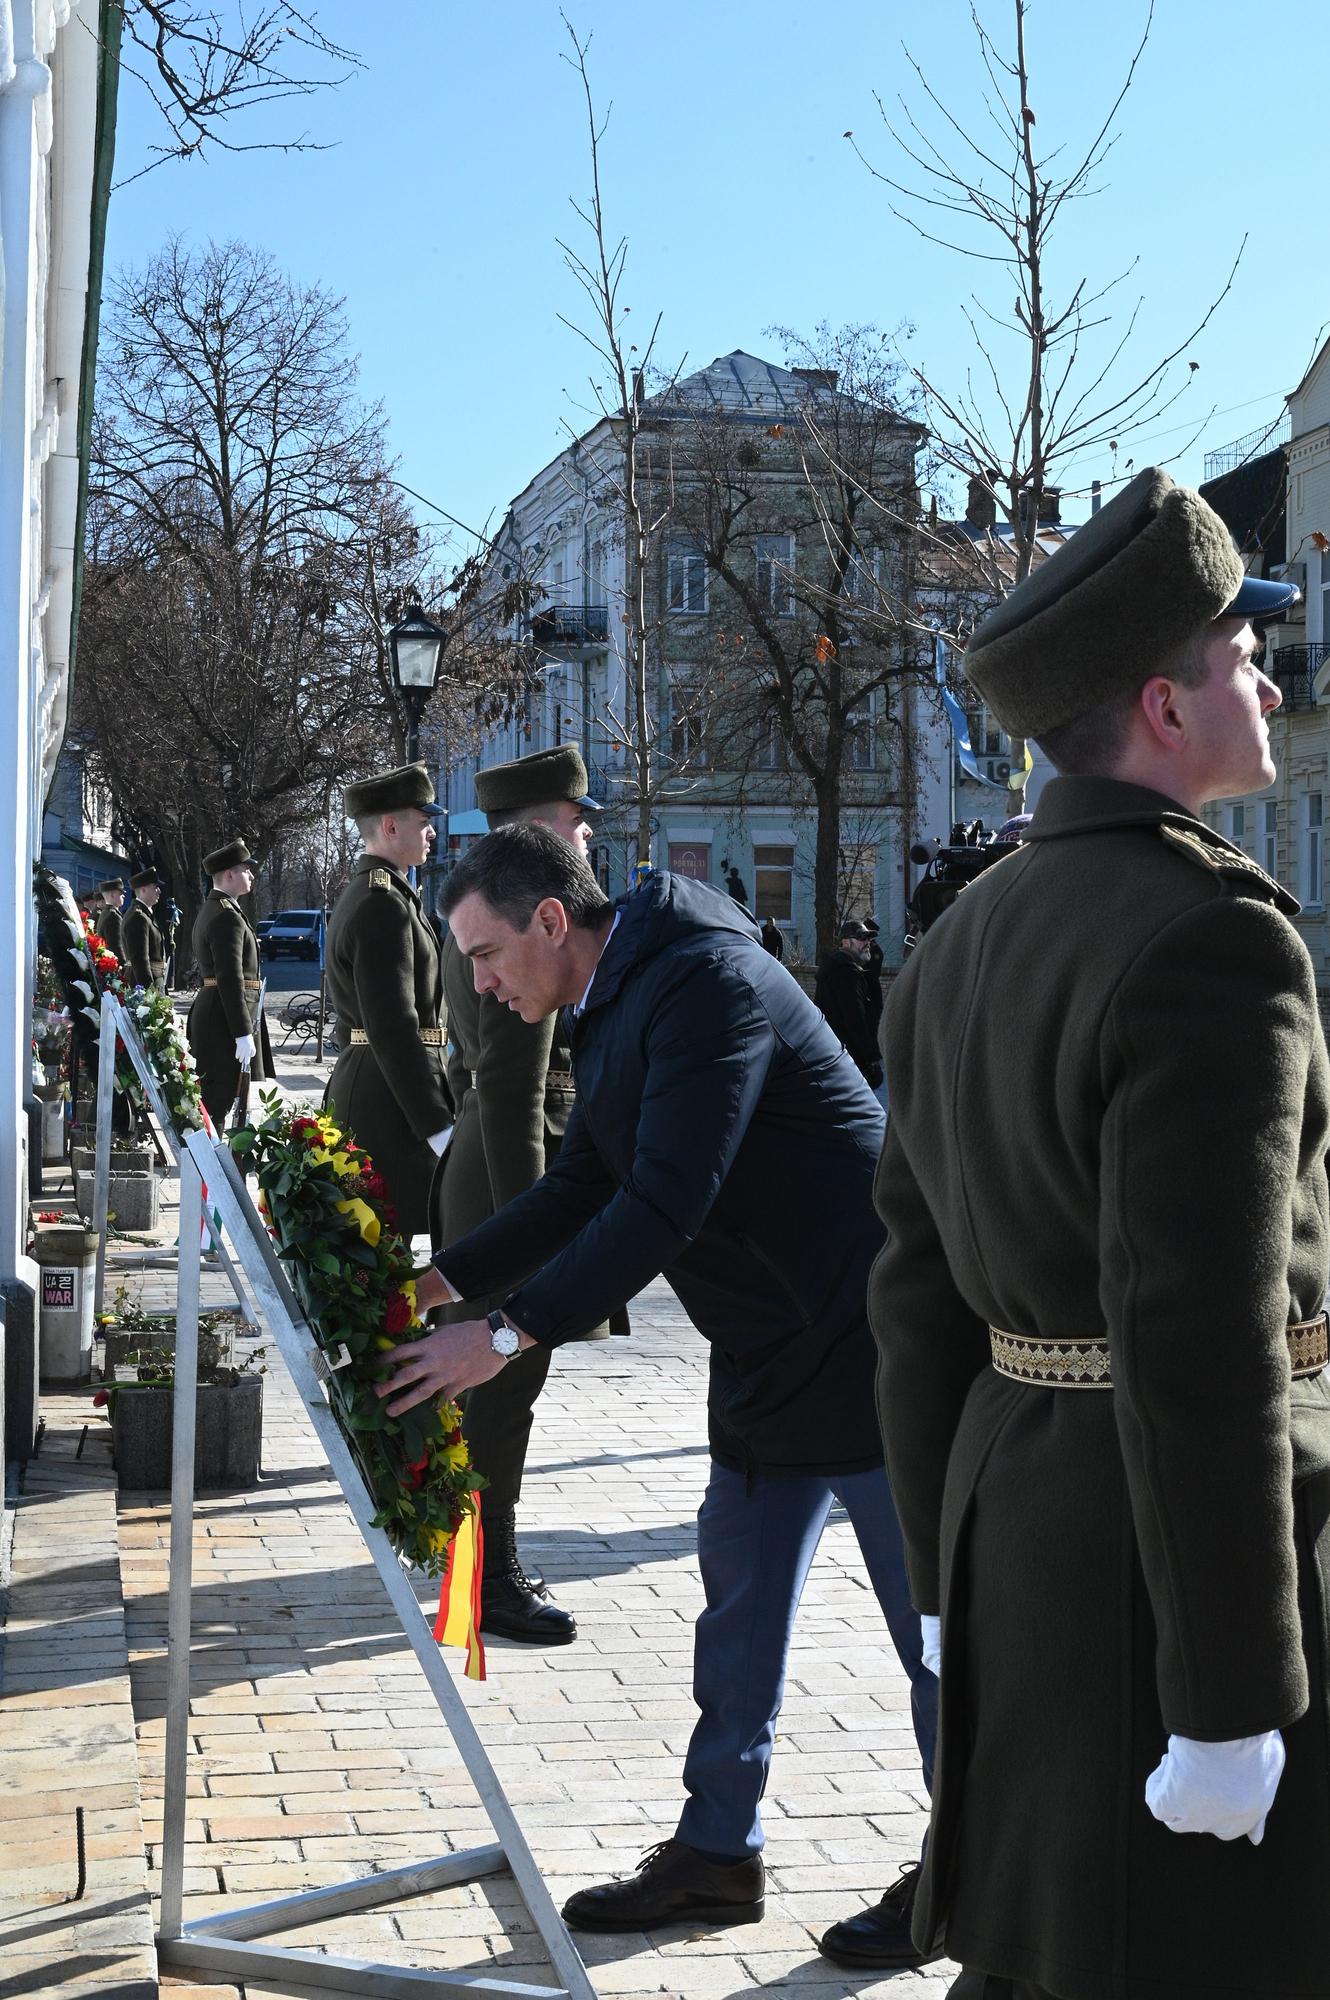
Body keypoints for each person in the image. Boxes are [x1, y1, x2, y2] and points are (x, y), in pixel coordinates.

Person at [870, 466, 1330, 1999]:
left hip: (1023, 1532)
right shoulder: (1214, 936)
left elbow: (913, 1297)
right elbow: (1198, 1336)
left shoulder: (956, 945)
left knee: (1055, 1945)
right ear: (1162, 705)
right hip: (1179, 1565)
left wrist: (944, 1580)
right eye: (1236, 657)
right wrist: (1227, 1695)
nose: (1266, 676)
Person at [378, 826, 938, 1955]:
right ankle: (715, 1855)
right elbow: (586, 1178)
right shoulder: (617, 991)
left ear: (550, 921)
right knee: (735, 1617)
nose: (478, 985)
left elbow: (664, 1201)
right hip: (766, 1345)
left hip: (876, 1340)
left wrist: (505, 1332)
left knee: (931, 1637)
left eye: (485, 956)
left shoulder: (705, 982)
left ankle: (972, 1869)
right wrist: (435, 1281)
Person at [433, 744, 607, 1647]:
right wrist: (532, 1241)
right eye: (575, 822)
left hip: (493, 1168)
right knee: (503, 1389)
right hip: (510, 1169)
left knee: (494, 1395)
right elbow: (510, 1090)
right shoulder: (513, 928)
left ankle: (476, 1569)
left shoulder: (483, 903)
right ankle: (484, 1582)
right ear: (543, 828)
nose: (585, 836)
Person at [324, 762, 452, 1239]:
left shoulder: (382, 894)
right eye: (423, 822)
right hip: (388, 1098)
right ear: (391, 826)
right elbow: (393, 1024)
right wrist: (433, 1122)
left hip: (380, 1084)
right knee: (379, 1252)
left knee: (382, 1250)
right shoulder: (382, 903)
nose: (431, 833)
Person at [187, 840, 273, 1125]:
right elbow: (230, 977)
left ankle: (212, 1165)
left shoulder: (222, 910)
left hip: (218, 1013)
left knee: (218, 1102)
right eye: (246, 870)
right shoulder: (225, 916)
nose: (251, 875)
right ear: (229, 875)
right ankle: (209, 1168)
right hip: (222, 1021)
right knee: (217, 1101)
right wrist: (242, 1031)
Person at [814, 919, 882, 1089]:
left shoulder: (837, 968)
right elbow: (855, 1020)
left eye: (869, 938)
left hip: (836, 1060)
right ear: (845, 942)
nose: (867, 943)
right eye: (861, 938)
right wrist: (871, 1059)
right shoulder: (846, 974)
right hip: (850, 1064)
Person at [121, 869, 168, 992]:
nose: (159, 891)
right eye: (155, 887)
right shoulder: (138, 917)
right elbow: (140, 960)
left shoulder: (144, 914)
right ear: (143, 889)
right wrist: (149, 993)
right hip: (143, 984)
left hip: (153, 980)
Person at [94, 878, 125, 962]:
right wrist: (124, 965)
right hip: (115, 963)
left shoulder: (106, 912)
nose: (123, 896)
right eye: (120, 893)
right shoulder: (113, 916)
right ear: (112, 895)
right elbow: (117, 946)